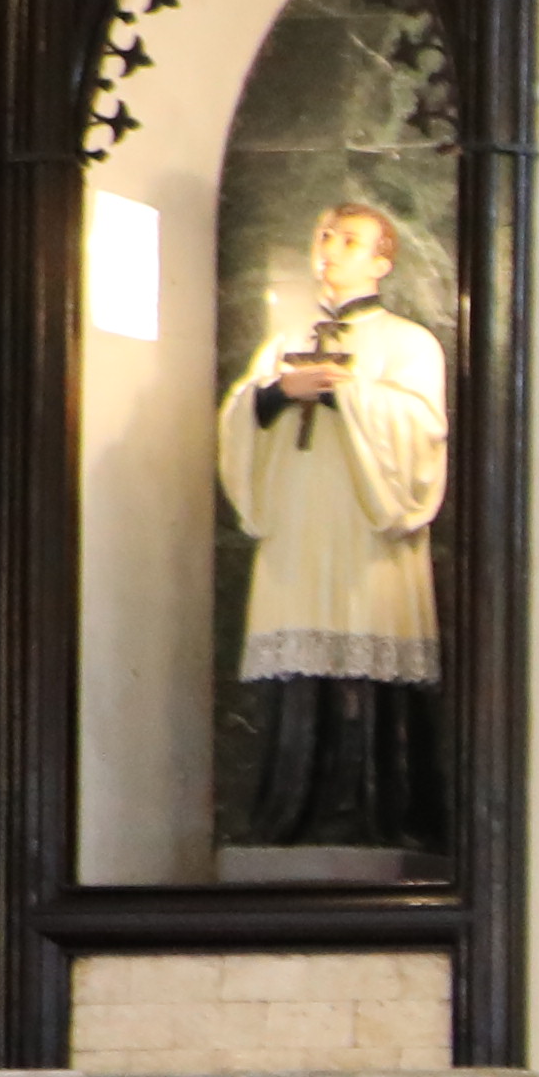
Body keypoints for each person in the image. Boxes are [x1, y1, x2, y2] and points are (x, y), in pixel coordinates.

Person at [218, 198, 449, 852]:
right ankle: (291, 816)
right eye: (324, 235)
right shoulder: (281, 343)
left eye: (350, 239)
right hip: (299, 529)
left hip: (365, 537)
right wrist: (272, 395)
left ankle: (382, 822)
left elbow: (424, 431)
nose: (330, 248)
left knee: (365, 672)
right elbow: (240, 418)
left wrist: (347, 392)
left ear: (382, 259)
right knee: (300, 684)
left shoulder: (409, 343)